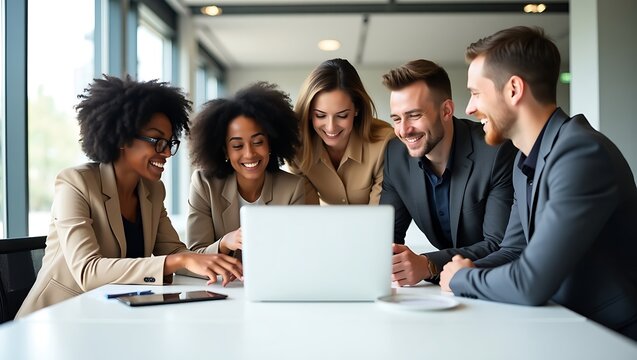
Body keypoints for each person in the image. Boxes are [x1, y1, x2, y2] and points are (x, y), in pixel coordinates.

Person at [439, 26, 637, 340]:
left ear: (514, 89)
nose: (470, 108)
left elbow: (530, 282)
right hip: (565, 325)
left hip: (613, 337)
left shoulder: (581, 154)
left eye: (476, 93)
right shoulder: (524, 159)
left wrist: (463, 279)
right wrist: (447, 271)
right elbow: (513, 250)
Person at [17, 75, 243, 318]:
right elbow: (87, 272)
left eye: (169, 142)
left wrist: (223, 247)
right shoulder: (76, 183)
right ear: (123, 138)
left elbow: (179, 254)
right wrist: (178, 262)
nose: (166, 152)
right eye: (157, 141)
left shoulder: (153, 191)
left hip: (110, 316)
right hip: (54, 321)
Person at [380, 59, 516, 286]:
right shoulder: (396, 155)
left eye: (414, 115)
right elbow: (386, 236)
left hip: (495, 284)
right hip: (446, 292)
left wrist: (428, 265)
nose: (404, 130)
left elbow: (498, 245)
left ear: (446, 110)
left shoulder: (495, 151)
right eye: (396, 118)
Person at [186, 82, 316, 257]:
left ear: (271, 142)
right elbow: (193, 256)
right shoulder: (204, 184)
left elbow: (297, 252)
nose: (249, 154)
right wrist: (225, 243)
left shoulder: (292, 188)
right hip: (219, 284)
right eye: (238, 145)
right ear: (225, 150)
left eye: (258, 142)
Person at [289, 58, 395, 205]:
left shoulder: (385, 142)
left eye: (342, 115)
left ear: (357, 108)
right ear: (308, 113)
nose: (331, 127)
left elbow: (379, 217)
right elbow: (309, 216)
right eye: (320, 115)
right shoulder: (297, 147)